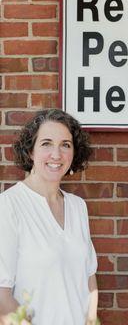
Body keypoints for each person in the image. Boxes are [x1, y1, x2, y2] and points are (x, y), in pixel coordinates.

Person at [0, 109, 98, 325]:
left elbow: (89, 279)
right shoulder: (9, 206)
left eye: (65, 144)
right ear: (31, 152)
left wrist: (91, 320)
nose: (57, 154)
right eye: (46, 143)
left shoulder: (78, 207)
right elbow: (2, 297)